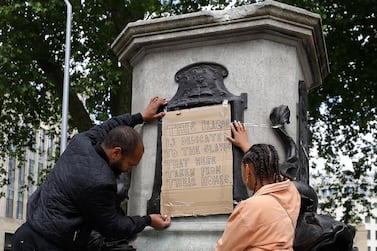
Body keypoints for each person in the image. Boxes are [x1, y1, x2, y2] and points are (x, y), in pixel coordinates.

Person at [12, 96, 172, 251]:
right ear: (116, 153)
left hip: (26, 235)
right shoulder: (99, 182)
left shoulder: (82, 141)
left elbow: (110, 126)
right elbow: (113, 226)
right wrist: (148, 220)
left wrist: (141, 116)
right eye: (130, 164)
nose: (129, 170)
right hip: (48, 245)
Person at [215, 121, 301, 251]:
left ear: (248, 169)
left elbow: (224, 249)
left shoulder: (250, 208)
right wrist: (246, 146)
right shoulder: (292, 193)